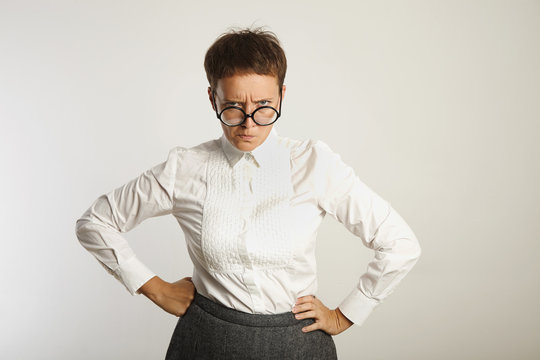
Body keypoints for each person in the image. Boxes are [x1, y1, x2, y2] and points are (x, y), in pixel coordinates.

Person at [75, 27, 421, 359]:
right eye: (234, 107)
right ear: (213, 98)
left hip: (297, 346)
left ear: (282, 95)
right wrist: (154, 287)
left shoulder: (315, 164)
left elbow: (400, 244)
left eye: (264, 106)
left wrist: (346, 314)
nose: (249, 123)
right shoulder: (185, 168)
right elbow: (95, 222)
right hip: (205, 343)